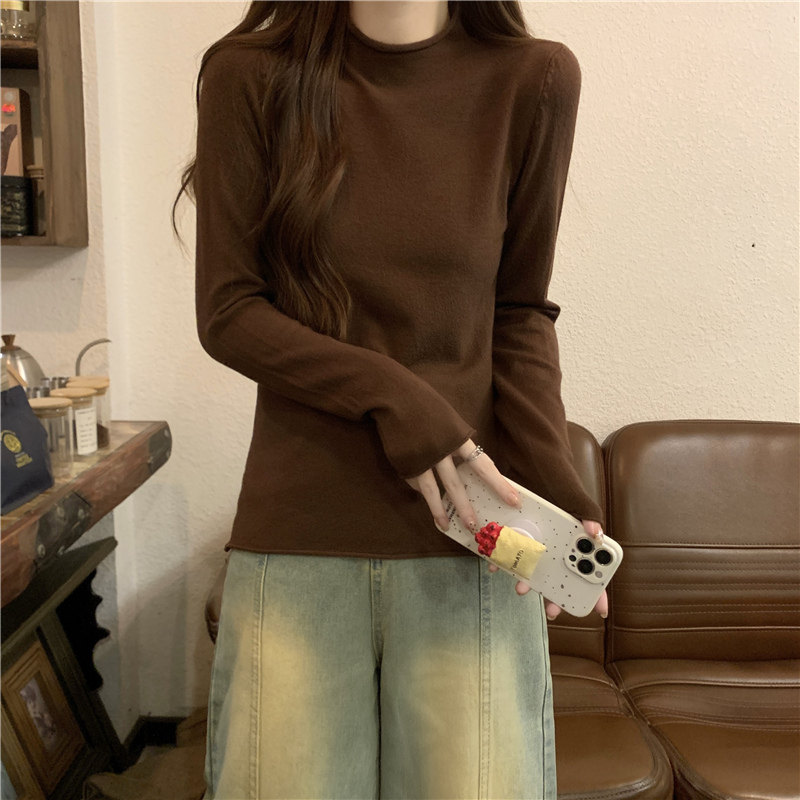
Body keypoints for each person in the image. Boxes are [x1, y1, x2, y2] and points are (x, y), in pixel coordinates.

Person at [175, 1, 608, 797]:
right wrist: (398, 401)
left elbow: (517, 311)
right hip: (300, 541)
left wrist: (555, 488)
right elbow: (230, 313)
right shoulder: (250, 77)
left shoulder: (534, 79)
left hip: (472, 542)